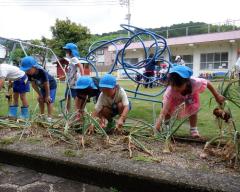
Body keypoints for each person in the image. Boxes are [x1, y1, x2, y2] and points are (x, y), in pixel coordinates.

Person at [155, 65, 225, 138]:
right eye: (173, 86)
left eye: (179, 87)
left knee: (193, 110)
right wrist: (158, 124)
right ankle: (167, 129)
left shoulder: (195, 82)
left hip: (189, 96)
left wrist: (217, 96)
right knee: (168, 112)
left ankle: (193, 129)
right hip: (174, 100)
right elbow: (163, 111)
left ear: (187, 82)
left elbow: (207, 83)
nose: (175, 88)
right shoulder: (170, 91)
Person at [20, 56, 57, 122]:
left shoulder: (42, 71)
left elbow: (47, 84)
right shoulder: (29, 74)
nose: (27, 72)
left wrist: (48, 95)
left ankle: (49, 117)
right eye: (26, 70)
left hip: (51, 86)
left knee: (49, 100)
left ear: (34, 67)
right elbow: (33, 85)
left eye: (28, 70)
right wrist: (40, 94)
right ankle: (42, 115)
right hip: (42, 87)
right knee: (40, 99)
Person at [63, 43, 84, 113]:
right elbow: (71, 71)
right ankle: (67, 112)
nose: (66, 52)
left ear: (71, 51)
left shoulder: (74, 59)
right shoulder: (70, 60)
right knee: (67, 97)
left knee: (76, 98)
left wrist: (83, 77)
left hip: (74, 83)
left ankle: (77, 112)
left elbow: (80, 66)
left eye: (67, 50)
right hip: (70, 82)